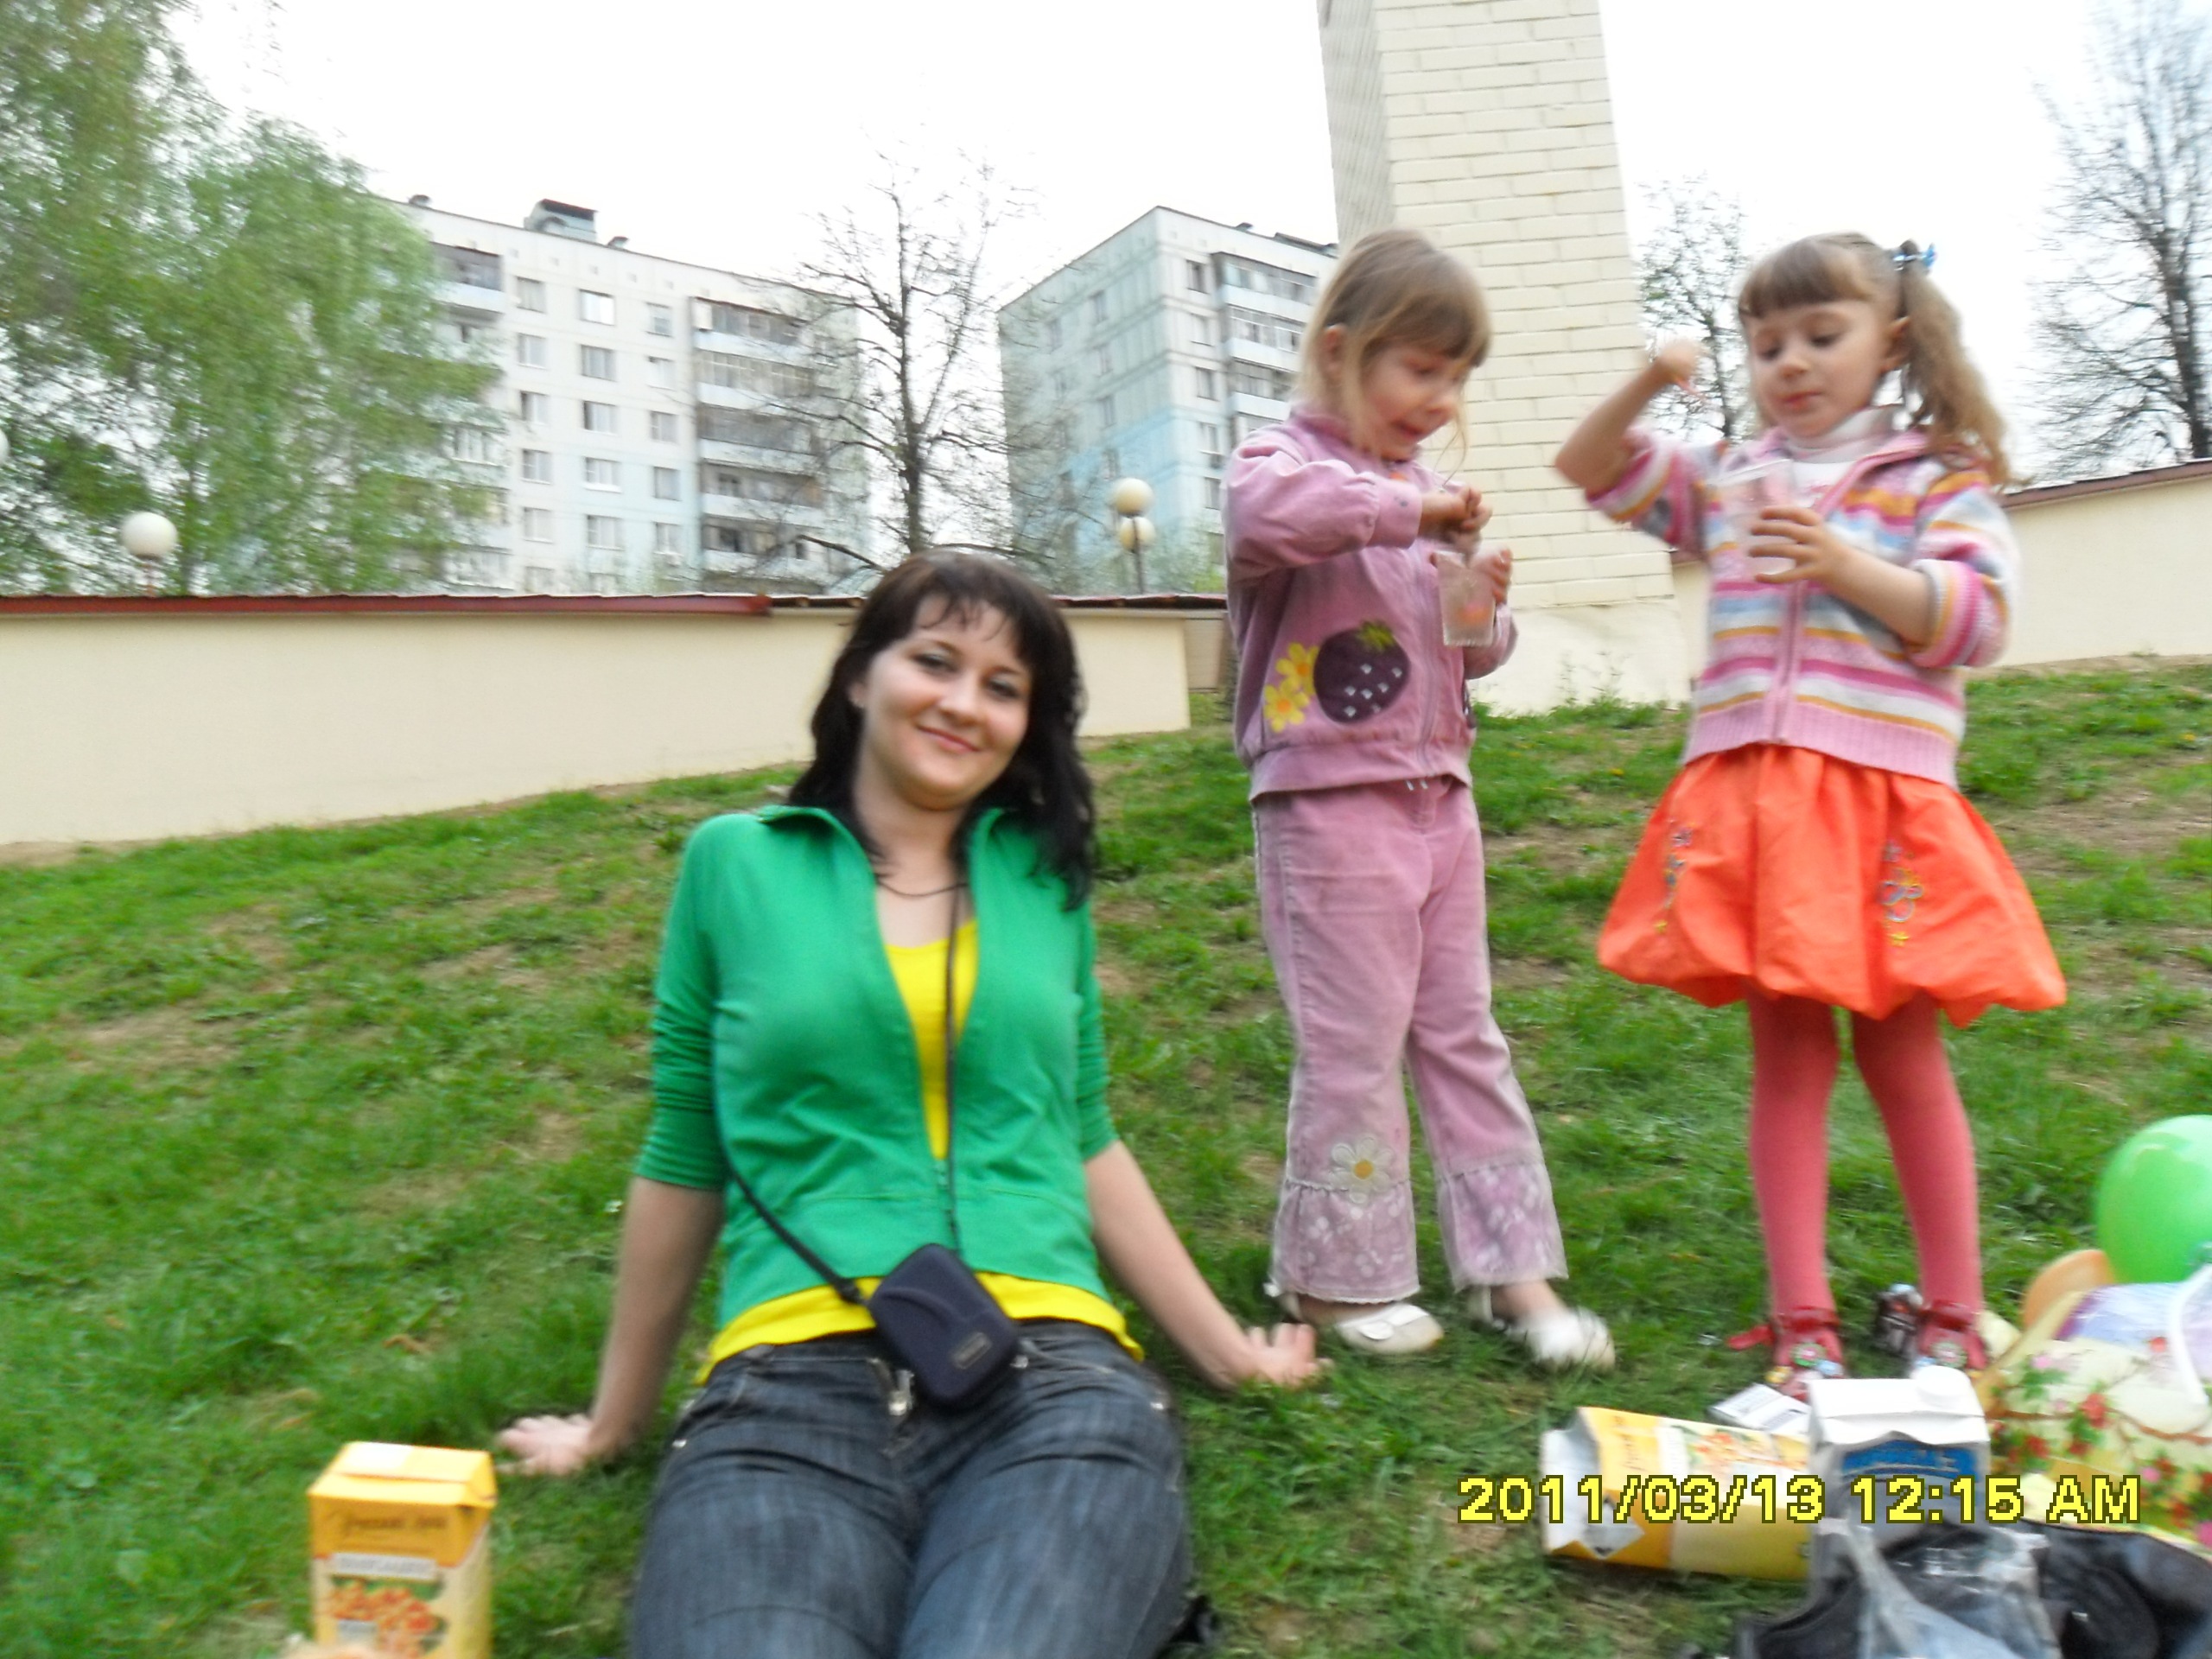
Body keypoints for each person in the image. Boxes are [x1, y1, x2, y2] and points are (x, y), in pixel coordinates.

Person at [499, 555, 1321, 1659]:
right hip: (782, 1391)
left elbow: (1083, 1137)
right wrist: (612, 1423)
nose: (963, 703)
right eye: (935, 661)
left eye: (1003, 686)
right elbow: (686, 1150)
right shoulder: (734, 867)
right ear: (859, 677)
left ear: (1026, 725)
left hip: (1051, 1379)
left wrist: (1227, 1356)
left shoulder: (1042, 882)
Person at [1554, 233, 2065, 1395]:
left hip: (1882, 804)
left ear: (1891, 341)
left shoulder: (1935, 477)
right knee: (1786, 1059)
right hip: (1759, 803)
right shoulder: (1730, 477)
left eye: (1821, 335)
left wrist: (1843, 563)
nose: (1789, 362)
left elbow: (1977, 622)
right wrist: (1648, 379)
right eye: (1766, 342)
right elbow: (1587, 464)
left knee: (1902, 1053)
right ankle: (1802, 1328)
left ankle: (1952, 1314)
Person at [1223, 228, 1613, 1367]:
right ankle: (1334, 1282)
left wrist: (1477, 598)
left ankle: (1510, 1269)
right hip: (1326, 805)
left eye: (1457, 379)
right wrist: (1413, 518)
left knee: (1462, 1033)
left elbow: (1466, 653)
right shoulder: (1275, 465)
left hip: (1440, 798)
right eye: (1421, 371)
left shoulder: (1424, 495)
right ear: (1341, 352)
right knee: (1354, 1045)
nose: (1440, 401)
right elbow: (1269, 523)